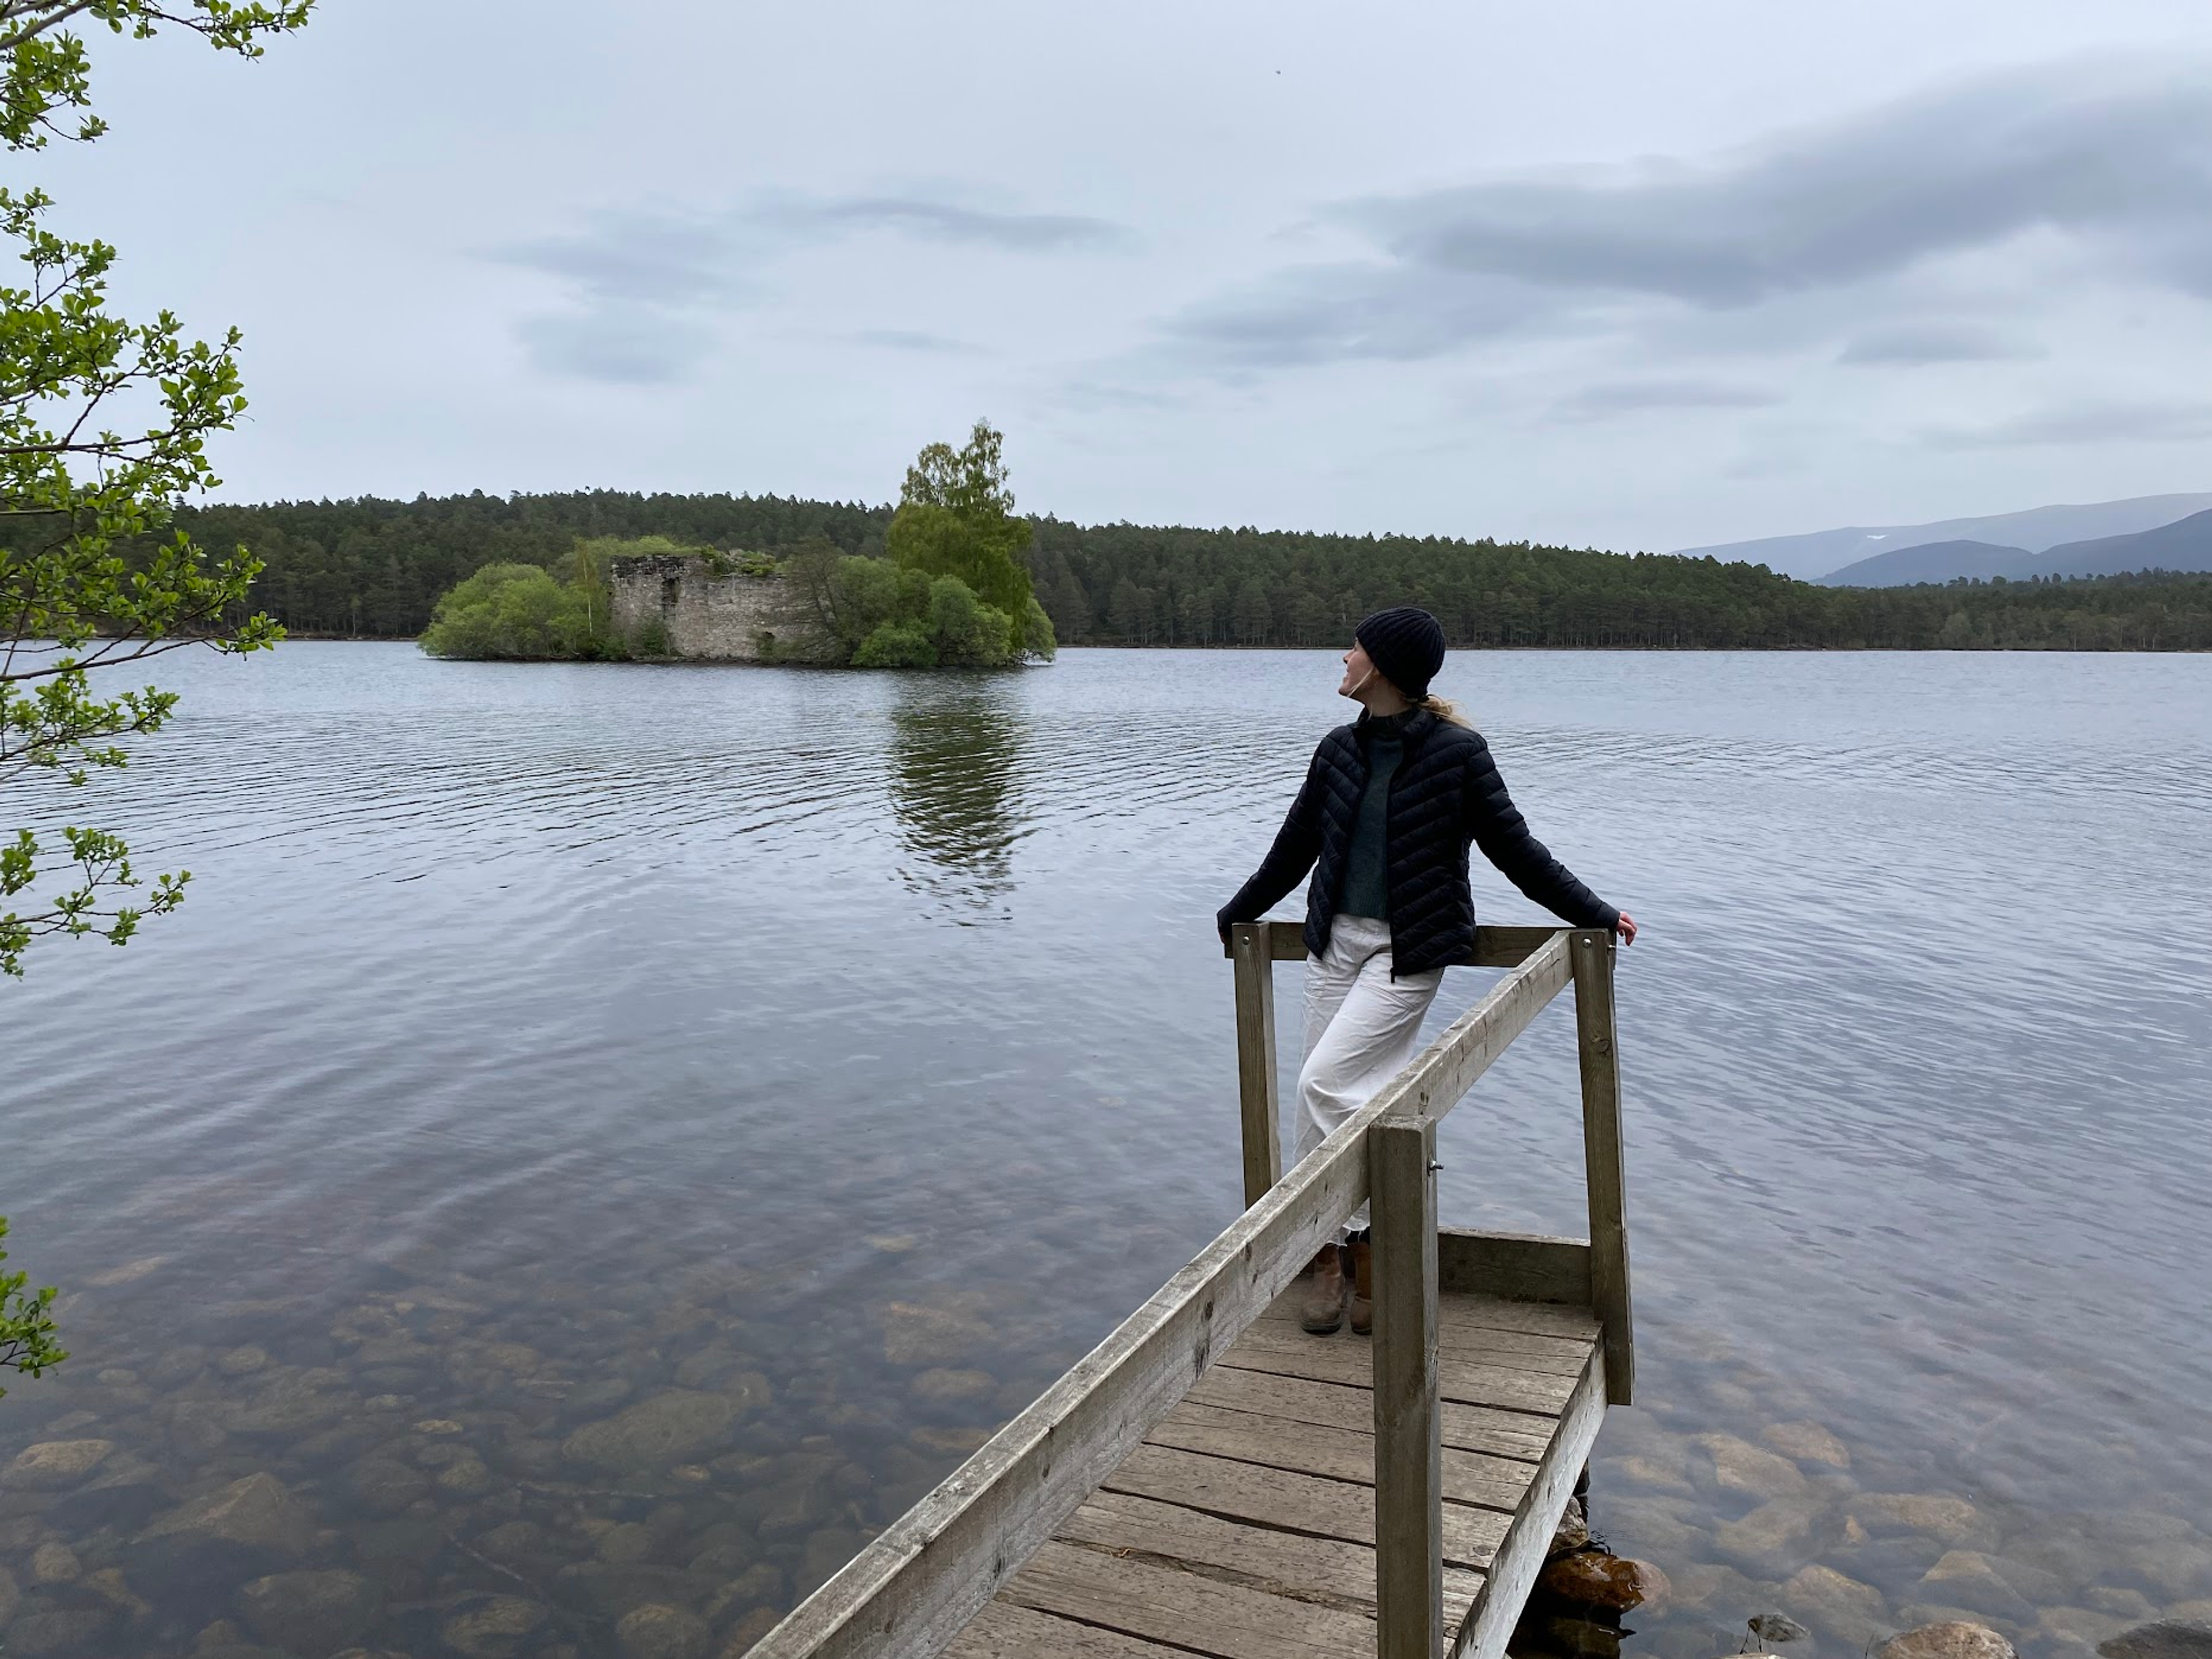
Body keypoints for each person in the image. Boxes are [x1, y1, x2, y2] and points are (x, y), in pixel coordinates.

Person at [1216, 607, 1635, 1336]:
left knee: (1325, 1085)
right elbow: (1294, 849)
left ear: (1379, 665)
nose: (1341, 659)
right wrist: (1240, 910)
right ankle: (1330, 1258)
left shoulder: (1459, 755)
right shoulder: (1337, 752)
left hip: (1407, 952)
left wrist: (1595, 912)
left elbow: (1517, 851)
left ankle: (1384, 1235)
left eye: (1352, 648)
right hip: (1332, 944)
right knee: (1322, 1100)